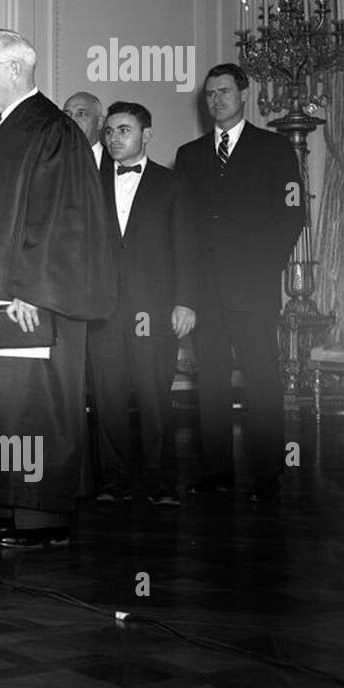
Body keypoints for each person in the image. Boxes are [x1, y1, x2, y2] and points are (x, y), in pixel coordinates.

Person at [0, 30, 115, 548]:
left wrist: (34, 291)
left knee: (32, 404)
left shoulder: (52, 129)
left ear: (13, 69)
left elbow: (64, 220)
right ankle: (4, 502)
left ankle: (41, 520)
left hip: (26, 300)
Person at [174, 63, 302, 503]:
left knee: (262, 380)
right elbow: (183, 228)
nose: (216, 100)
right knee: (209, 383)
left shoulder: (275, 147)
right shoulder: (189, 156)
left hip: (252, 288)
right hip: (206, 294)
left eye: (224, 92)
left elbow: (291, 215)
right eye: (209, 94)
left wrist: (263, 269)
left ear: (244, 94)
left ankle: (269, 476)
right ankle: (217, 475)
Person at [88, 102, 197, 506]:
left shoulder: (173, 184)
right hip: (102, 311)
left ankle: (161, 484)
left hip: (153, 309)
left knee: (155, 400)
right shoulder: (90, 182)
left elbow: (187, 246)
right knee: (108, 400)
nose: (115, 138)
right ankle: (112, 483)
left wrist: (185, 301)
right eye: (111, 131)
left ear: (147, 135)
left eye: (125, 130)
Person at [63, 91, 112, 180]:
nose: (72, 120)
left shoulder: (118, 163)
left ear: (100, 123)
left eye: (81, 114)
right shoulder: (50, 163)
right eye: (67, 114)